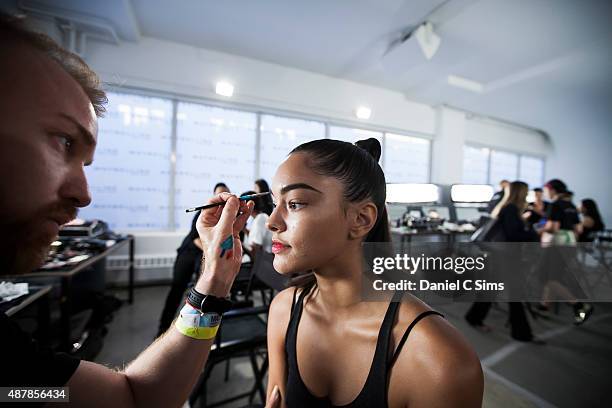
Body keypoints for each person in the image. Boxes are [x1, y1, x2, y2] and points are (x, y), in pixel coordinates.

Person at [0, 14, 284, 408]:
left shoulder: (15, 380)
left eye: (84, 163)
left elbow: (131, 399)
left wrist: (216, 279)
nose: (84, 195)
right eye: (64, 142)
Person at [265, 139, 483, 407]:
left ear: (361, 220)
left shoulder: (440, 359)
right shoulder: (283, 310)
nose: (271, 222)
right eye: (275, 202)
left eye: (295, 203)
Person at [465, 181, 543, 343]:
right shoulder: (511, 209)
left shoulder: (507, 207)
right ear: (521, 193)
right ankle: (521, 333)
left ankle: (473, 318)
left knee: (491, 291)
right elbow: (513, 235)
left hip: (501, 256)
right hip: (505, 257)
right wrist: (534, 235)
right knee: (514, 295)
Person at [157, 182, 230, 336]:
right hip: (190, 251)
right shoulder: (205, 212)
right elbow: (196, 238)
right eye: (218, 196)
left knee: (203, 294)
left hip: (206, 256)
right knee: (177, 288)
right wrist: (214, 250)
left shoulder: (229, 217)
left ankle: (197, 330)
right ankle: (163, 328)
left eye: (225, 195)